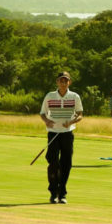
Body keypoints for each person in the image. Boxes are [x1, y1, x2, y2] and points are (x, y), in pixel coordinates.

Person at [40, 71, 83, 204]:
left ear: (69, 82)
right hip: (53, 132)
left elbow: (80, 114)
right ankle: (53, 192)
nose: (63, 83)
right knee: (53, 162)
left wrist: (71, 122)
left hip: (67, 133)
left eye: (66, 81)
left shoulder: (74, 96)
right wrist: (46, 121)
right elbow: (42, 113)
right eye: (61, 80)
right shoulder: (50, 96)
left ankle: (62, 193)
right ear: (57, 82)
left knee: (66, 164)